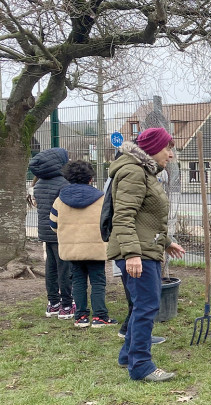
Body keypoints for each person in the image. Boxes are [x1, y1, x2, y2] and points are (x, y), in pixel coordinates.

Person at [107, 126, 186, 382]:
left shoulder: (144, 173)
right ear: (152, 149)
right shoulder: (133, 172)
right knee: (147, 306)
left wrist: (166, 242)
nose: (171, 155)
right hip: (137, 252)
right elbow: (124, 216)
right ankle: (141, 365)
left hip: (145, 248)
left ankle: (128, 356)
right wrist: (132, 254)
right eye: (167, 148)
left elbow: (147, 219)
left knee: (142, 305)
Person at [49, 160, 115, 328]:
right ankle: (100, 316)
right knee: (98, 281)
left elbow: (53, 224)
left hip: (72, 249)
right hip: (96, 248)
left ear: (68, 178)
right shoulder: (101, 198)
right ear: (90, 178)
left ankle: (80, 317)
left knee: (77, 280)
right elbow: (108, 221)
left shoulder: (60, 200)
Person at [30, 147, 72, 318]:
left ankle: (53, 302)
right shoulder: (64, 184)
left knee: (51, 267)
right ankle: (67, 304)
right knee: (64, 268)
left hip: (45, 232)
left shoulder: (38, 184)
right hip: (61, 232)